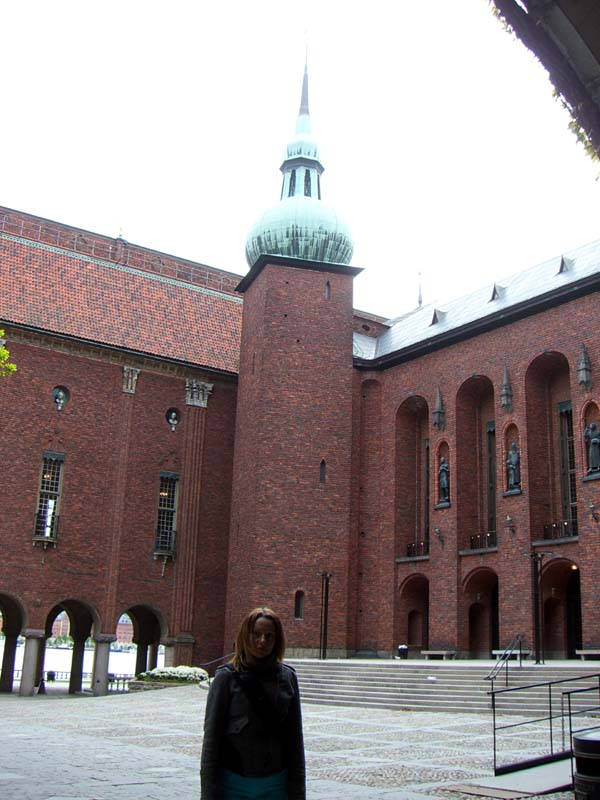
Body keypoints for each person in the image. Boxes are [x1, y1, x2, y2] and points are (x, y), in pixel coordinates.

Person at [201, 607, 306, 799]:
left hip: (276, 784)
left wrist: (298, 792)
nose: (262, 641)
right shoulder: (226, 678)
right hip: (234, 782)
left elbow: (294, 740)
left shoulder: (287, 678)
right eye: (256, 635)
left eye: (269, 636)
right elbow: (211, 741)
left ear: (277, 640)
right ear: (245, 636)